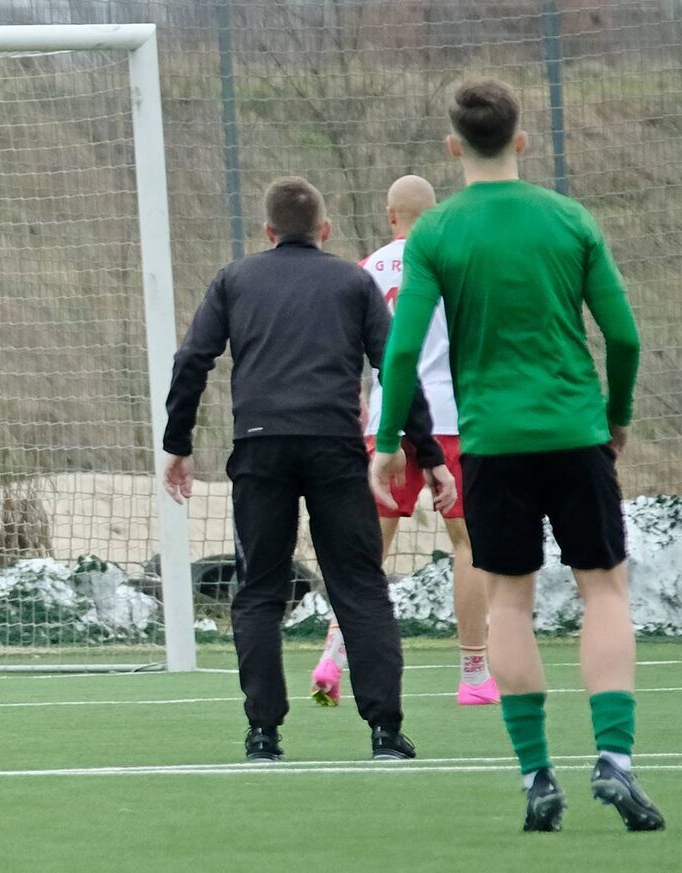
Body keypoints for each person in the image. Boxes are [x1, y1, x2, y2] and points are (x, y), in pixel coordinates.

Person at [370, 79, 664, 832]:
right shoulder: (568, 218)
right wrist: (617, 415)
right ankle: (616, 759)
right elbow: (624, 336)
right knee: (604, 590)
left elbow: (401, 351)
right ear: (522, 140)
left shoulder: (435, 234)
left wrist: (386, 444)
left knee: (510, 602)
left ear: (453, 147)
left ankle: (537, 775)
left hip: (493, 442)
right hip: (575, 431)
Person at [162, 176, 455, 762]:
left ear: (268, 232)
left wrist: (178, 442)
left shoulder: (235, 279)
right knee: (360, 586)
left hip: (260, 447)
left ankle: (263, 734)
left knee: (259, 592)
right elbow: (395, 365)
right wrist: (429, 455)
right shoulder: (352, 279)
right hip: (334, 448)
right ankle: (385, 734)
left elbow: (193, 357)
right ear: (324, 231)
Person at [312, 175, 499, 708]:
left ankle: (333, 655)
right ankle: (473, 674)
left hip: (388, 424)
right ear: (436, 213)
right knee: (468, 544)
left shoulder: (366, 269)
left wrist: (360, 404)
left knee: (369, 548)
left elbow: (351, 349)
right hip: (450, 417)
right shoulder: (459, 263)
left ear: (389, 214)